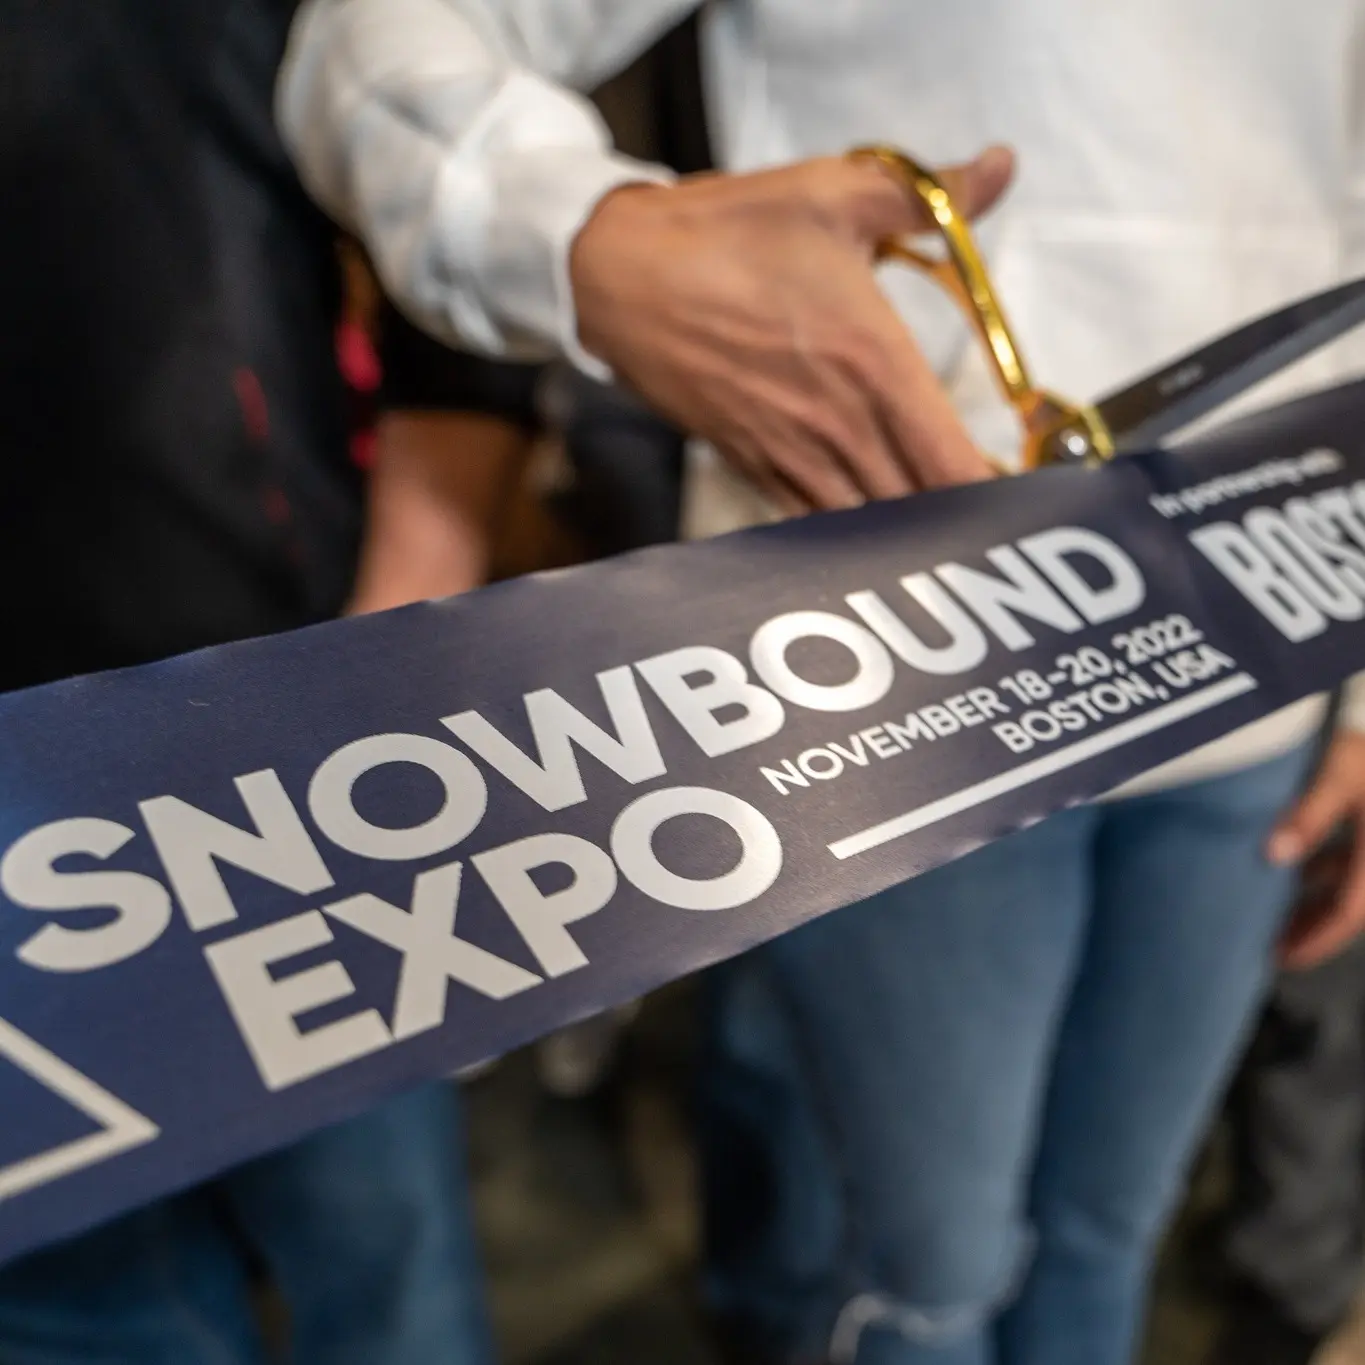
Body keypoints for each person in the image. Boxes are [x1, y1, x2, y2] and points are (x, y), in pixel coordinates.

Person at [276, 5, 1365, 1363]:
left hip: (1264, 638)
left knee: (1105, 1232)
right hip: (904, 662)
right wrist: (588, 235)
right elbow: (387, 35)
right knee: (926, 1275)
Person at [0, 3, 493, 1361]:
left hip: (272, 760)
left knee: (381, 1266)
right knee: (85, 1307)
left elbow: (461, 298)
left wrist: (387, 659)